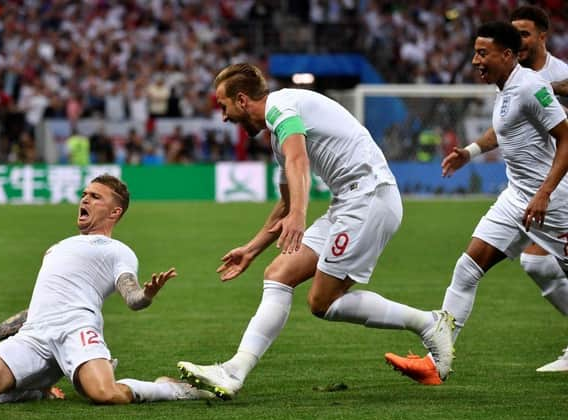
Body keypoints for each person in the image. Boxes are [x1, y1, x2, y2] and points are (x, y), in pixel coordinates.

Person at [177, 63, 455, 399]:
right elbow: (284, 201)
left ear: (241, 100)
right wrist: (251, 249)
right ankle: (234, 371)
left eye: (223, 107)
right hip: (349, 201)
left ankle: (429, 323)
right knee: (278, 273)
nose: (223, 117)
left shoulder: (282, 108)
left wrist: (299, 213)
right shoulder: (278, 134)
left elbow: (299, 163)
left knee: (322, 301)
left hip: (369, 197)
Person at [385, 21, 568, 385]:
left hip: (554, 202)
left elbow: (567, 139)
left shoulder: (531, 87)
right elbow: (502, 130)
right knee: (467, 268)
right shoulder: (505, 89)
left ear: (508, 55)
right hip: (516, 198)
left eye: (483, 53)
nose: (474, 61)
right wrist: (469, 152)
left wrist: (545, 192)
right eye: (474, 52)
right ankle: (437, 364)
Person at [0, 174, 213, 404]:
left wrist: (147, 294)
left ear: (114, 213)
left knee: (105, 395)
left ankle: (168, 389)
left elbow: (132, 298)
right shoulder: (56, 248)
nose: (85, 200)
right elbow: (39, 309)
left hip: (77, 330)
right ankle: (38, 391)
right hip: (35, 334)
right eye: (84, 194)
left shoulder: (118, 251)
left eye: (95, 197)